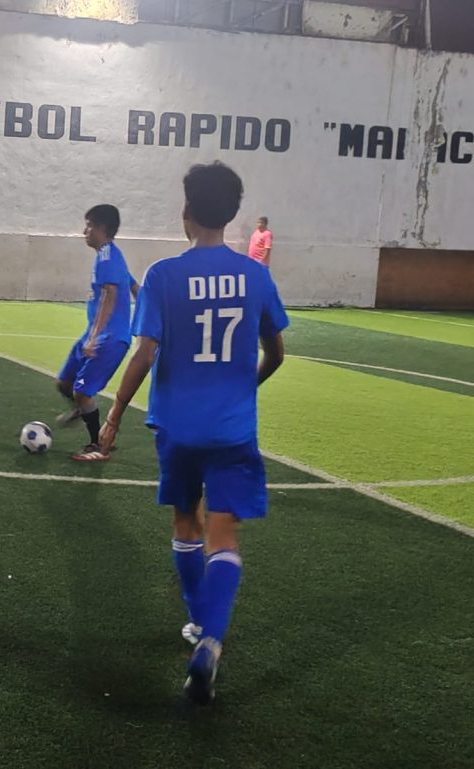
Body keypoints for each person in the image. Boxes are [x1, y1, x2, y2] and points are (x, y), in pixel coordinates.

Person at [99, 163, 288, 705]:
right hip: (232, 428)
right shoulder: (256, 276)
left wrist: (113, 419)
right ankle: (211, 639)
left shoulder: (162, 275)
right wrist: (245, 387)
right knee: (224, 532)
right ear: (232, 215)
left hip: (178, 427)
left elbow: (145, 353)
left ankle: (194, 618)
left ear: (186, 212)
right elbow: (276, 352)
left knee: (188, 520)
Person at [55, 204, 134, 461]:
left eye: (89, 225)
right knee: (64, 383)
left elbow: (110, 295)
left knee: (83, 392)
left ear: (101, 228)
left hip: (107, 339)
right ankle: (83, 410)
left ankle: (98, 447)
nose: (84, 231)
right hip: (97, 334)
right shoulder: (110, 255)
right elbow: (133, 285)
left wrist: (93, 336)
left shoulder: (108, 257)